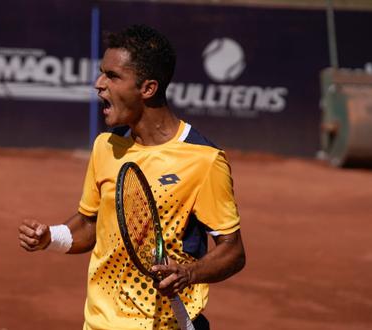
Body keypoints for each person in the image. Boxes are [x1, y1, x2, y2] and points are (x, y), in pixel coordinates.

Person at [19, 24, 245, 330]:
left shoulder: (203, 160)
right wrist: (51, 238)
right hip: (99, 323)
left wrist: (188, 274)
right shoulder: (106, 146)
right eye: (102, 73)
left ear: (148, 89)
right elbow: (90, 224)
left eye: (112, 76)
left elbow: (232, 250)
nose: (99, 84)